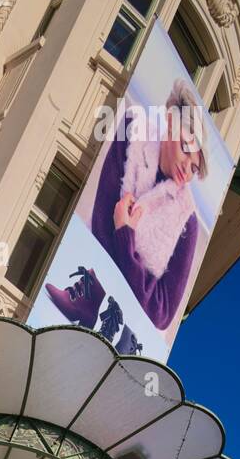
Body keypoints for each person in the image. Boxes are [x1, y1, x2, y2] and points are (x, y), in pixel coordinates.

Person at [90, 81, 210, 331]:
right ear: (170, 122)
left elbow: (162, 313)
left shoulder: (186, 221)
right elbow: (100, 232)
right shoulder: (133, 135)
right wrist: (142, 279)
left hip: (121, 329)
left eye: (195, 168)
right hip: (89, 286)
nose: (187, 169)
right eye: (186, 150)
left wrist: (124, 233)